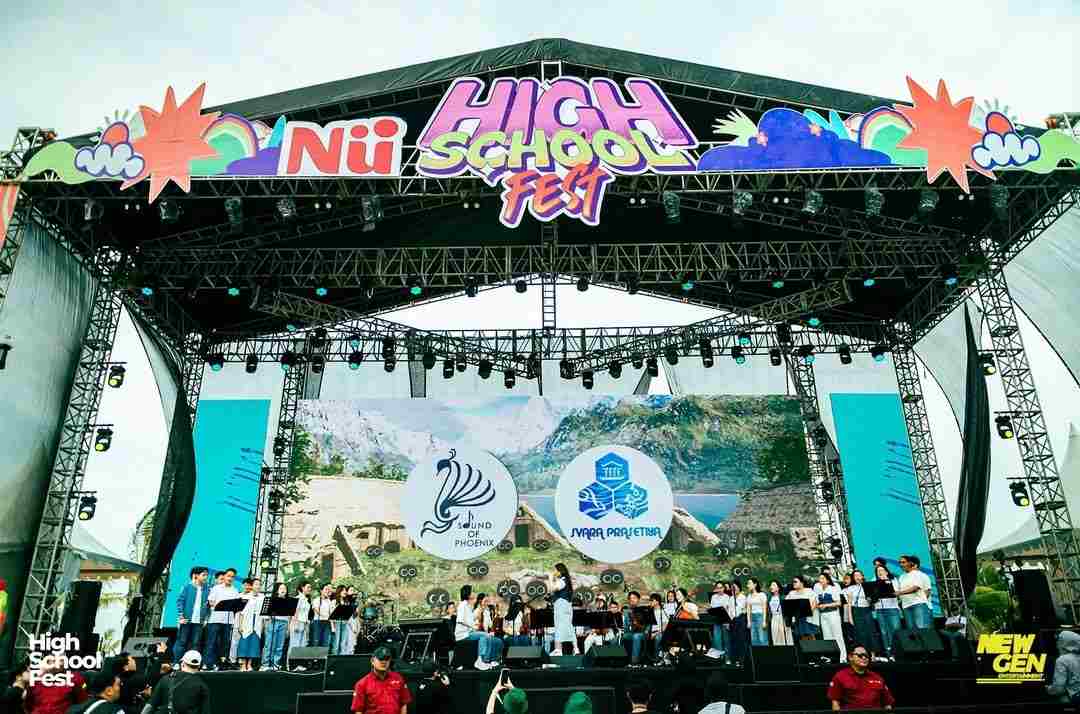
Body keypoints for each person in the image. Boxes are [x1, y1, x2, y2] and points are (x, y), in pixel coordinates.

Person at [826, 643, 894, 710]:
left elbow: (887, 703)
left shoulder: (877, 677)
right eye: (860, 655)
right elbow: (835, 704)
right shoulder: (840, 677)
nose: (864, 658)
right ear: (850, 657)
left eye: (866, 655)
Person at [145, 651, 211, 714]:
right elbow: (205, 711)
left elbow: (150, 705)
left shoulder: (166, 679)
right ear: (199, 666)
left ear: (182, 664)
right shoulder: (202, 685)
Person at [350, 646, 410, 714]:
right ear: (372, 661)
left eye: (386, 659)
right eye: (380, 659)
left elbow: (403, 704)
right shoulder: (362, 684)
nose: (384, 662)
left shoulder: (398, 679)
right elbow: (358, 710)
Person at [201, 568, 238, 671]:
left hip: (228, 621)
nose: (230, 578)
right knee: (211, 642)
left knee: (224, 644)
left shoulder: (235, 590)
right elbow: (211, 602)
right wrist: (221, 605)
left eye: (232, 577)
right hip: (215, 620)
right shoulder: (216, 588)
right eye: (228, 576)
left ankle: (219, 664)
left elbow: (236, 606)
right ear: (224, 576)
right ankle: (206, 663)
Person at [454, 585, 496, 670]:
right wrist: (473, 626)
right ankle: (480, 660)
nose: (474, 593)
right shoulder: (462, 605)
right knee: (484, 635)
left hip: (469, 632)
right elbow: (460, 620)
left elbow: (470, 618)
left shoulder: (468, 605)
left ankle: (485, 660)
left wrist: (478, 615)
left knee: (486, 636)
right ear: (468, 594)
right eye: (472, 591)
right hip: (463, 634)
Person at [174, 567, 210, 664]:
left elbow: (208, 606)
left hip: (199, 621)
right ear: (196, 575)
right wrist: (181, 616)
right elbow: (180, 601)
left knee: (195, 644)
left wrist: (205, 618)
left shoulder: (207, 589)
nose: (206, 577)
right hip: (186, 620)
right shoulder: (187, 587)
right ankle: (176, 663)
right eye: (203, 575)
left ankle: (191, 664)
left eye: (206, 575)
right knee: (182, 642)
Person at [870, 565, 902, 660]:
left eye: (882, 570)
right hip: (879, 609)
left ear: (886, 572)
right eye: (878, 571)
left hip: (892, 608)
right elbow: (871, 595)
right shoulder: (873, 581)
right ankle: (889, 654)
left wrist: (886, 582)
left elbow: (896, 592)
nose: (880, 572)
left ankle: (897, 652)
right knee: (884, 632)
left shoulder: (893, 580)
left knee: (895, 630)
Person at [815, 573, 846, 660]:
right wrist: (818, 606)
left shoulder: (833, 589)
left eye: (822, 578)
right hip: (823, 615)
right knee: (827, 636)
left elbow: (839, 603)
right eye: (819, 578)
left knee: (837, 635)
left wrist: (826, 605)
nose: (820, 580)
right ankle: (831, 657)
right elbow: (817, 602)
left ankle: (842, 657)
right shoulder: (819, 590)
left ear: (827, 580)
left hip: (833, 614)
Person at [843, 570, 875, 658]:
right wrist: (850, 617)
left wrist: (870, 600)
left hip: (867, 610)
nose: (857, 577)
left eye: (859, 575)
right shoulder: (851, 588)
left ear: (862, 576)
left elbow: (872, 601)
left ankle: (873, 654)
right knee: (860, 633)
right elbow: (849, 603)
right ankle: (863, 654)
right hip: (856, 610)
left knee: (870, 631)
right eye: (855, 576)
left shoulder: (867, 586)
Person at [895, 555, 932, 630]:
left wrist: (900, 593)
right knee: (912, 631)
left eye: (903, 562)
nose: (901, 564)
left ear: (910, 563)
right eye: (900, 563)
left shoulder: (917, 574)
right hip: (906, 606)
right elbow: (898, 591)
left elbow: (916, 588)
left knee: (922, 629)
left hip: (918, 604)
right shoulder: (901, 577)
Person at [261, 581, 290, 670]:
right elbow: (265, 615)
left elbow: (290, 616)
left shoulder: (289, 601)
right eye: (281, 588)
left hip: (284, 622)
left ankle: (275, 664)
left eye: (285, 588)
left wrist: (288, 627)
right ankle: (265, 664)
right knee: (269, 644)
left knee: (279, 645)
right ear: (277, 590)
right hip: (272, 621)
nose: (283, 590)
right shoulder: (271, 600)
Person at [235, 577, 262, 671]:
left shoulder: (262, 597)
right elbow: (241, 613)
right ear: (251, 586)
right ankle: (243, 664)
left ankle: (249, 664)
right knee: (244, 643)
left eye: (259, 585)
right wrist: (240, 625)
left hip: (257, 623)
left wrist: (262, 626)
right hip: (246, 622)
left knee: (254, 644)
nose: (258, 586)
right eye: (256, 584)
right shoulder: (245, 597)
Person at [549, 564, 576, 656]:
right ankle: (572, 648)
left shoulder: (562, 580)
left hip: (561, 604)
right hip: (565, 605)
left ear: (560, 571)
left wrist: (550, 579)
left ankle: (559, 650)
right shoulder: (565, 580)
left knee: (559, 626)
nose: (554, 572)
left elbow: (552, 589)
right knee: (567, 626)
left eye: (555, 570)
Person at [1047, 629, 1080, 704]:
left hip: (1075, 699)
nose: (1056, 645)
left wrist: (1049, 689)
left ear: (1064, 642)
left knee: (1062, 697)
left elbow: (1059, 689)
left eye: (1059, 641)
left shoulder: (1062, 660)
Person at [288, 581, 312, 669]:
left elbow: (306, 614)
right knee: (294, 645)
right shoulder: (298, 598)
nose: (310, 589)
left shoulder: (306, 599)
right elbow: (295, 612)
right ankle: (291, 665)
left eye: (310, 587)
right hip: (297, 623)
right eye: (308, 587)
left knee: (302, 645)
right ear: (302, 587)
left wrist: (306, 625)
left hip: (304, 624)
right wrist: (296, 624)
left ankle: (299, 664)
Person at [786, 576, 815, 640]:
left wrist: (808, 612)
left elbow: (815, 602)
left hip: (808, 619)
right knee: (802, 638)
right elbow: (787, 604)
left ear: (802, 583)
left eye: (795, 582)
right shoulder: (791, 593)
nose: (793, 583)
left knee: (810, 636)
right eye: (793, 582)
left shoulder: (809, 591)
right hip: (797, 619)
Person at [622, 591, 647, 664]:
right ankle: (621, 660)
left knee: (636, 636)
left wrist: (638, 625)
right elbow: (626, 627)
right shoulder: (627, 611)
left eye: (634, 598)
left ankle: (634, 661)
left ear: (638, 599)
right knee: (622, 636)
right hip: (631, 632)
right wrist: (628, 626)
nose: (632, 600)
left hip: (642, 633)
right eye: (630, 598)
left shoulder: (644, 610)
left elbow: (646, 626)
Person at [767, 580, 792, 646]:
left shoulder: (783, 597)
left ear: (778, 588)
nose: (771, 587)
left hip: (782, 617)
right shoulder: (769, 597)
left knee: (785, 636)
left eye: (773, 585)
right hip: (774, 618)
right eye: (771, 585)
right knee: (775, 635)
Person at [310, 583, 335, 649]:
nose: (327, 591)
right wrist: (325, 616)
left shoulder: (329, 601)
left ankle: (324, 655)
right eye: (326, 589)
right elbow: (316, 610)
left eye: (328, 590)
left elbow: (331, 612)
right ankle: (315, 655)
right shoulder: (317, 600)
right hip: (318, 622)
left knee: (326, 642)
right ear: (321, 591)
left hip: (327, 623)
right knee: (316, 641)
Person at [746, 578, 768, 647]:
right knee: (753, 638)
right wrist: (748, 621)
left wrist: (764, 621)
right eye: (747, 584)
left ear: (755, 584)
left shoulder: (762, 594)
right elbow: (748, 609)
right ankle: (755, 653)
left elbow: (764, 608)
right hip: (752, 617)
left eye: (749, 583)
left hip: (760, 616)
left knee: (762, 638)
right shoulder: (749, 596)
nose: (748, 585)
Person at [708, 582, 728, 657]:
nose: (719, 589)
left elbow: (726, 608)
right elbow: (712, 607)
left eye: (721, 588)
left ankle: (726, 656)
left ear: (723, 588)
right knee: (717, 638)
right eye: (718, 588)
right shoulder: (713, 597)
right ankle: (718, 656)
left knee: (726, 639)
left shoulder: (727, 597)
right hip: (716, 619)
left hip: (725, 619)